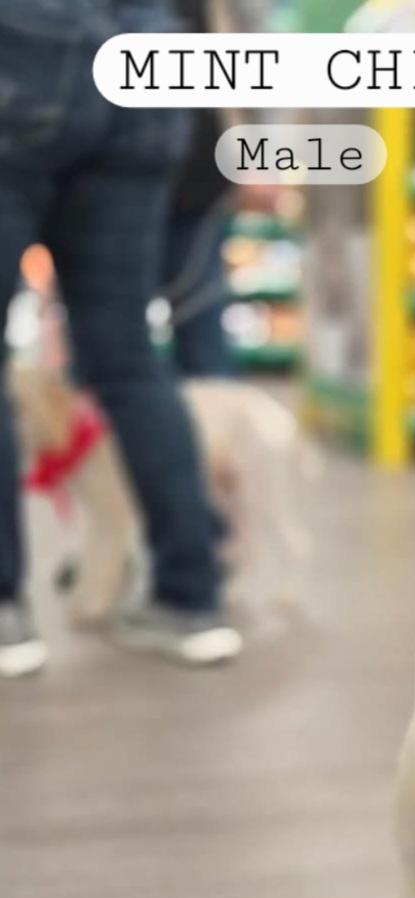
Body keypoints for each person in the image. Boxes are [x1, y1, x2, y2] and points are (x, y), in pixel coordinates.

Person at [0, 0, 241, 677]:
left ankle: (5, 616)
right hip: (146, 61)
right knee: (130, 360)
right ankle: (190, 602)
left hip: (23, 46)